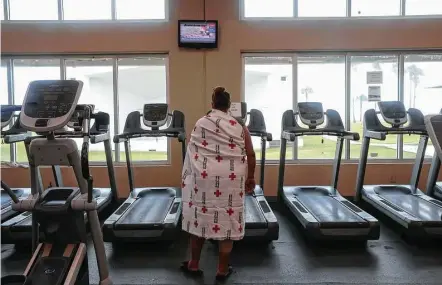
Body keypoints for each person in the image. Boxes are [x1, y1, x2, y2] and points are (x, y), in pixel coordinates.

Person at [180, 86, 256, 281]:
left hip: (204, 179)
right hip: (231, 180)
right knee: (228, 223)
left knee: (201, 218)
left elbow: (193, 150)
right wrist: (251, 177)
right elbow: (251, 154)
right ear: (229, 105)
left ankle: (194, 264)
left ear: (212, 104)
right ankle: (222, 270)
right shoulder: (239, 126)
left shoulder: (201, 123)